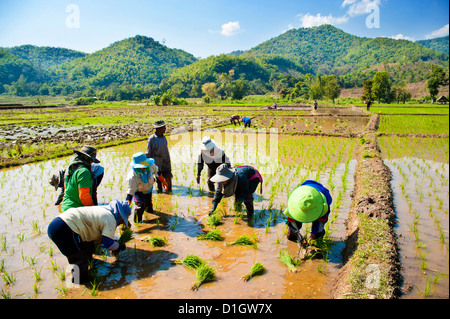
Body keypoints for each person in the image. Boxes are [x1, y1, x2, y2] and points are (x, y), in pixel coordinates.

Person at [47, 199, 131, 284]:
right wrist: (119, 245)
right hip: (64, 228)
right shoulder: (110, 218)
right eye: (122, 221)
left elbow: (97, 237)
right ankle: (78, 286)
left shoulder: (102, 210)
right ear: (120, 216)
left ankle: (87, 270)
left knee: (88, 247)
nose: (120, 223)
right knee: (80, 260)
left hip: (58, 223)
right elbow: (108, 243)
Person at [125, 152, 167, 223]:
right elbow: (130, 193)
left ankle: (150, 217)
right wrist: (126, 207)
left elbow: (157, 173)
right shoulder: (132, 176)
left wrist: (163, 181)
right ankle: (138, 223)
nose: (144, 167)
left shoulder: (150, 166)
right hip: (138, 191)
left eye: (144, 165)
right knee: (140, 207)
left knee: (149, 208)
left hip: (148, 189)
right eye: (141, 166)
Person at [61, 145, 100, 212]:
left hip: (65, 207)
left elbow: (65, 188)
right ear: (88, 159)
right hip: (76, 211)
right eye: (91, 161)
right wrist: (93, 211)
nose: (91, 163)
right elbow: (84, 195)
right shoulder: (84, 172)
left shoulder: (69, 168)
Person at [146, 120, 172, 193]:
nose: (165, 129)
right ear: (158, 129)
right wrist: (149, 169)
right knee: (159, 181)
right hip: (158, 164)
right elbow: (148, 154)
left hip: (166, 163)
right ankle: (161, 193)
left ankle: (169, 193)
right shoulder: (152, 139)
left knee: (168, 178)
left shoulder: (164, 137)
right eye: (164, 127)